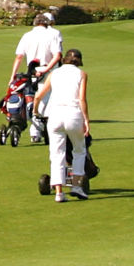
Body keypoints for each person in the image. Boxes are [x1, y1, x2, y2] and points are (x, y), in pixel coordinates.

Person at [40, 50, 91, 202]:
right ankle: (76, 186)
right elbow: (82, 99)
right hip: (73, 115)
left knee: (56, 154)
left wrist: (36, 111)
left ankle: (59, 193)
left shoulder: (54, 73)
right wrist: (86, 120)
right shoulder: (82, 74)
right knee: (79, 151)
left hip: (55, 116)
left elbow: (38, 96)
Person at [11, 9, 63, 80]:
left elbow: (19, 57)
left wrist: (12, 76)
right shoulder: (52, 36)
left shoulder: (26, 36)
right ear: (47, 24)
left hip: (32, 71)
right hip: (48, 71)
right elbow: (57, 56)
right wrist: (46, 70)